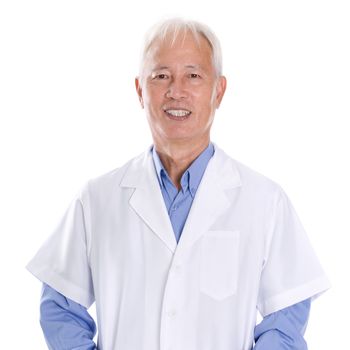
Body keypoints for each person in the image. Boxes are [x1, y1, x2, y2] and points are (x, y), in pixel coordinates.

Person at [27, 17, 330, 350]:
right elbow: (59, 308)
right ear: (140, 90)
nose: (176, 91)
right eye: (161, 76)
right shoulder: (97, 200)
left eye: (193, 75)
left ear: (219, 90)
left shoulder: (264, 201)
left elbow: (285, 318)